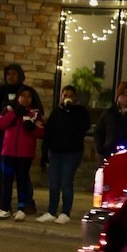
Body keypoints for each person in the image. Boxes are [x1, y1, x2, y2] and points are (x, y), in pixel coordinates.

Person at [0, 64, 35, 212]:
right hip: (2, 137)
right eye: (8, 74)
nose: (11, 76)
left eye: (14, 74)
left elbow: (37, 111)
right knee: (3, 172)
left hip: (22, 138)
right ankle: (4, 202)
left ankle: (27, 202)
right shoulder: (0, 90)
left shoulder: (27, 91)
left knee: (22, 174)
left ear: (20, 75)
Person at [39, 84, 92, 223]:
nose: (67, 98)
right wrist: (44, 153)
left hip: (72, 153)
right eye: (65, 95)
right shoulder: (57, 112)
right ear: (61, 97)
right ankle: (51, 211)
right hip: (56, 152)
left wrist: (72, 111)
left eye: (70, 95)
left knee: (66, 183)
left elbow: (84, 126)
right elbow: (49, 133)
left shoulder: (80, 111)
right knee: (54, 183)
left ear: (75, 98)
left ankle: (65, 212)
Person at [0, 87, 45, 220]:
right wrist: (15, 114)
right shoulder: (9, 110)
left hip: (25, 154)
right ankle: (4, 208)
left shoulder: (35, 113)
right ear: (18, 97)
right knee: (6, 181)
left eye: (29, 96)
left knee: (22, 181)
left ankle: (21, 209)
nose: (26, 99)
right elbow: (0, 124)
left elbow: (42, 132)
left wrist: (32, 128)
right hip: (8, 152)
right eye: (23, 96)